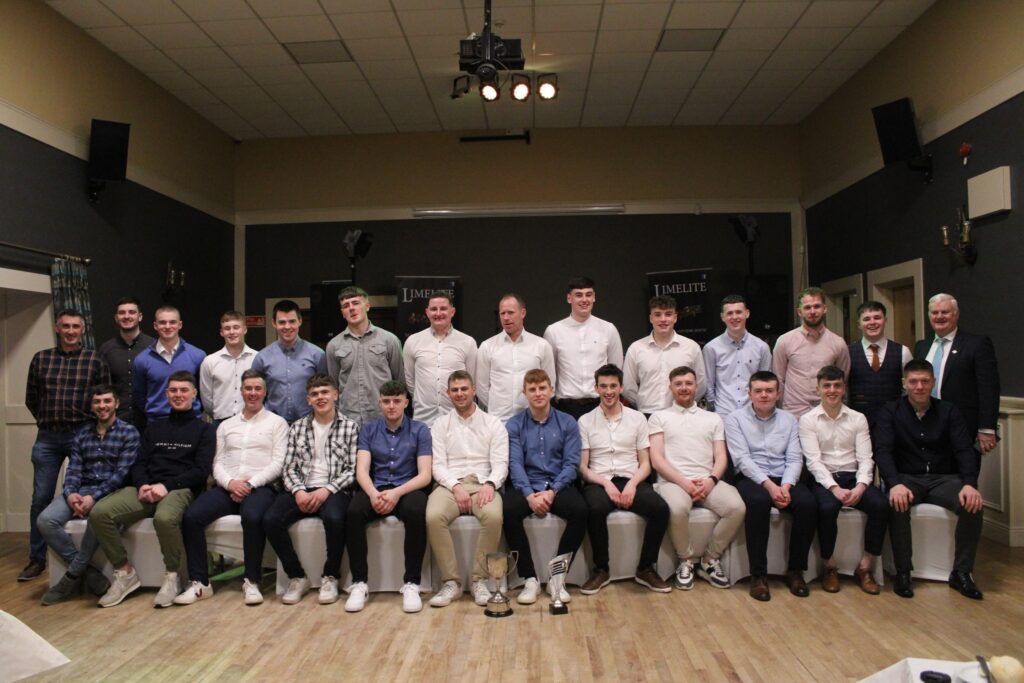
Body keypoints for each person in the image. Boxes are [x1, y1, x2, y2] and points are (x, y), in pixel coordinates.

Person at [89, 371, 215, 608]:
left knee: (164, 518)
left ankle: (173, 576)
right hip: (147, 488)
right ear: (166, 394)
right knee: (100, 513)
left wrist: (165, 487)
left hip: (181, 489)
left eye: (184, 390)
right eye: (173, 390)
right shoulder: (154, 428)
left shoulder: (205, 430)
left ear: (194, 394)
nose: (178, 395)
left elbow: (200, 471)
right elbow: (140, 463)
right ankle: (124, 572)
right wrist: (143, 485)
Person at [174, 369, 288, 606]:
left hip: (261, 487)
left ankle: (252, 581)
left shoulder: (277, 423)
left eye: (257, 388)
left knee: (252, 516)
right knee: (192, 516)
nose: (253, 393)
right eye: (248, 388)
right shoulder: (226, 425)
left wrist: (249, 484)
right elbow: (217, 462)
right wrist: (230, 483)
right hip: (228, 486)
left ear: (265, 392)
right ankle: (200, 583)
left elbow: (278, 464)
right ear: (241, 391)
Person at [873, 359, 984, 600]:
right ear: (904, 384)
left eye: (924, 381)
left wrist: (969, 484)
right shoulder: (890, 411)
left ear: (933, 382)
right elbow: (883, 451)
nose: (919, 387)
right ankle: (903, 572)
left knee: (972, 505)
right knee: (897, 503)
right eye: (913, 382)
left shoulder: (949, 411)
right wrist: (894, 483)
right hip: (907, 478)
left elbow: (964, 450)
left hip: (944, 479)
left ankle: (962, 572)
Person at [21, 309, 110, 582]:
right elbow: (31, 398)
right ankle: (37, 559)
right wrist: (49, 418)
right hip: (48, 437)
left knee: (83, 492)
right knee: (41, 497)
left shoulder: (94, 360)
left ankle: (83, 554)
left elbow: (104, 397)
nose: (71, 331)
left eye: (75, 327)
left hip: (81, 434)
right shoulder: (41, 359)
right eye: (66, 326)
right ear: (57, 329)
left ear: (82, 330)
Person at [36, 384, 139, 605]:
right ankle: (89, 573)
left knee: (98, 517)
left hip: (112, 493)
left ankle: (70, 578)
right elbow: (74, 469)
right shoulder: (82, 434)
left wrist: (94, 498)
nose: (102, 406)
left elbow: (121, 475)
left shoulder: (129, 433)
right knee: (45, 520)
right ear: (91, 406)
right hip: (81, 490)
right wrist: (71, 493)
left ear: (116, 404)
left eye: (107, 401)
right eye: (97, 402)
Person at [263, 374, 359, 606]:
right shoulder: (297, 428)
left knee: (335, 519)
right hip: (302, 488)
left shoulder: (350, 427)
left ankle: (330, 576)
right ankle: (297, 576)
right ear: (308, 400)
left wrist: (326, 490)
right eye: (314, 394)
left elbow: (352, 469)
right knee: (270, 519)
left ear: (336, 395)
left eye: (325, 392)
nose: (320, 397)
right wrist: (298, 491)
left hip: (334, 490)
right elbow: (288, 468)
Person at [649, 366, 745, 591]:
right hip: (672, 482)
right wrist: (684, 483)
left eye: (688, 383)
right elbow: (657, 459)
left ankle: (710, 559)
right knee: (677, 508)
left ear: (696, 386)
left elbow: (721, 457)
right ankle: (686, 560)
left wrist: (711, 480)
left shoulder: (713, 418)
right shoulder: (658, 417)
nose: (684, 388)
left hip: (707, 481)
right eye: (678, 384)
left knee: (737, 507)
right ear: (670, 387)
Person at [578, 364, 671, 594]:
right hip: (599, 481)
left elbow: (646, 463)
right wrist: (606, 484)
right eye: (603, 386)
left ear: (621, 387)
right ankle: (601, 569)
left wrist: (631, 485)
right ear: (596, 388)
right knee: (595, 508)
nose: (608, 391)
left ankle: (646, 568)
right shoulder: (585, 421)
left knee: (660, 509)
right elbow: (582, 467)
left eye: (613, 386)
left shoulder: (638, 419)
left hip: (632, 478)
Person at [725, 371, 817, 601]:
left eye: (769, 391)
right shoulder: (735, 419)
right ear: (749, 394)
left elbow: (794, 458)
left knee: (807, 504)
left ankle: (795, 571)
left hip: (784, 477)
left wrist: (785, 486)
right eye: (758, 391)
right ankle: (758, 575)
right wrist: (770, 487)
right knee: (759, 502)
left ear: (778, 394)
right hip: (751, 478)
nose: (764, 395)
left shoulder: (789, 419)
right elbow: (742, 460)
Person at [798, 365, 887, 595]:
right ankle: (830, 566)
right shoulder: (807, 420)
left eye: (837, 385)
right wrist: (834, 488)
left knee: (880, 505)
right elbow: (813, 462)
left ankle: (865, 567)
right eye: (826, 386)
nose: (832, 390)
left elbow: (866, 458)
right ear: (818, 389)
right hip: (824, 480)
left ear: (844, 388)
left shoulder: (858, 418)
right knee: (827, 508)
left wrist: (861, 486)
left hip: (854, 477)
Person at [345, 380, 433, 613]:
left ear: (406, 402)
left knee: (416, 511)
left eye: (396, 401)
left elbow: (425, 475)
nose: (391, 406)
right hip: (377, 487)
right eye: (386, 401)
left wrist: (396, 493)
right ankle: (359, 583)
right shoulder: (369, 429)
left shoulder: (420, 430)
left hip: (408, 488)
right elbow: (361, 470)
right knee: (353, 512)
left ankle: (412, 583)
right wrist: (374, 494)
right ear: (380, 403)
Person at [503, 369, 587, 605]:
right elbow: (515, 464)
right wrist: (529, 495)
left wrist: (552, 491)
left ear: (551, 390)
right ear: (525, 393)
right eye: (532, 389)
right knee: (508, 511)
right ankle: (529, 578)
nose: (538, 393)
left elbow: (571, 463)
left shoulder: (568, 422)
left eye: (542, 388)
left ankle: (557, 577)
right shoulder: (514, 424)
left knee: (581, 511)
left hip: (558, 484)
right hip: (527, 485)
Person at [427, 371, 508, 608]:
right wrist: (455, 486)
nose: (460, 394)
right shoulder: (440, 425)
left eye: (464, 389)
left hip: (483, 483)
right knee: (433, 516)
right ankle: (451, 582)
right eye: (455, 390)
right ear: (448, 393)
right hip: (450, 484)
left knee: (493, 516)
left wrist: (491, 484)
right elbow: (438, 465)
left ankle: (479, 580)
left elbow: (501, 463)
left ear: (474, 390)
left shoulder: (493, 424)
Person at [913, 293, 1001, 457]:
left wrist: (987, 428)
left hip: (963, 428)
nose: (939, 316)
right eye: (935, 312)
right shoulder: (922, 347)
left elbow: (989, 388)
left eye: (945, 312)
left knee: (965, 471)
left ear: (956, 314)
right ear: (929, 315)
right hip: (925, 425)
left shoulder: (976, 344)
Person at [544, 277, 623, 419]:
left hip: (601, 405)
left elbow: (616, 370)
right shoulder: (553, 331)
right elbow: (548, 373)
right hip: (565, 408)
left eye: (588, 294)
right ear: (569, 298)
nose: (584, 299)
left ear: (594, 297)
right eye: (579, 295)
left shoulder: (608, 329)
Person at [325, 286, 403, 426]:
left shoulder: (389, 340)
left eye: (356, 303)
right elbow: (333, 387)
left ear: (367, 306)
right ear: (342, 313)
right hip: (349, 420)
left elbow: (399, 383)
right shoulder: (334, 345)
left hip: (383, 418)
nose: (351, 308)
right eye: (346, 306)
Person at [476, 293, 556, 423]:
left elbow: (550, 383)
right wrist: (497, 407)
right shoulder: (487, 346)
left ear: (523, 313)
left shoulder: (541, 345)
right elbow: (481, 388)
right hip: (499, 421)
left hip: (533, 421)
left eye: (511, 313)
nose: (506, 318)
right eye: (502, 313)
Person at [772, 287, 851, 418]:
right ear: (799, 312)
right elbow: (778, 379)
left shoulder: (838, 343)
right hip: (793, 413)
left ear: (825, 309)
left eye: (817, 306)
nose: (812, 311)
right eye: (807, 307)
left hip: (826, 412)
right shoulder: (784, 341)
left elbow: (842, 380)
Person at [402, 292, 477, 427]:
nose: (438, 313)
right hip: (424, 420)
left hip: (457, 421)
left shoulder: (467, 342)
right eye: (433, 309)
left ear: (452, 312)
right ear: (427, 312)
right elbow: (410, 381)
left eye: (443, 309)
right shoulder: (412, 341)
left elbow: (472, 380)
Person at [623, 295, 706, 415]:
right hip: (647, 414)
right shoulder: (636, 348)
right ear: (651, 318)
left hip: (681, 414)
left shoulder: (691, 347)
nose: (663, 319)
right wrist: (642, 403)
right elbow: (627, 386)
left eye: (668, 314)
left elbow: (701, 384)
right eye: (657, 314)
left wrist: (685, 404)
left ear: (675, 317)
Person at [251, 299, 327, 423]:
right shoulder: (262, 357)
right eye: (282, 322)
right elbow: (255, 392)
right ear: (274, 323)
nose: (287, 327)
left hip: (309, 423)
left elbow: (325, 391)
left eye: (292, 321)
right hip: (273, 424)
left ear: (300, 321)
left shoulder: (317, 355)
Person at [132, 305, 205, 426]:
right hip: (156, 423)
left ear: (180, 325)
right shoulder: (142, 360)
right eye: (162, 322)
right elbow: (139, 396)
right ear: (155, 325)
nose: (167, 326)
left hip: (191, 422)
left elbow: (204, 393)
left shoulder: (197, 355)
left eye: (172, 322)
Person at [702, 295, 772, 417]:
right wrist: (713, 411)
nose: (734, 317)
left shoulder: (761, 347)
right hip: (723, 413)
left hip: (753, 413)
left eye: (738, 312)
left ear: (747, 313)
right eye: (729, 313)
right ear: (722, 317)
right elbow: (709, 383)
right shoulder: (711, 348)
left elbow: (765, 383)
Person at [846, 301, 912, 429]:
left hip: (894, 422)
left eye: (877, 317)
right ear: (859, 324)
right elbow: (844, 390)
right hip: (858, 423)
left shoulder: (903, 351)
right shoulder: (847, 352)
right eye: (866, 319)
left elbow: (909, 389)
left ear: (885, 320)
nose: (872, 322)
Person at [98, 297, 154, 429]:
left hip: (149, 419)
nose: (127, 316)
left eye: (132, 312)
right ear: (116, 318)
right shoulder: (106, 349)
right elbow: (103, 387)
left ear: (140, 317)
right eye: (122, 313)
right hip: (117, 420)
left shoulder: (154, 347)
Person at [199, 311, 256, 428]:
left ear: (245, 329)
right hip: (220, 423)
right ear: (221, 332)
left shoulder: (257, 358)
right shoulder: (210, 361)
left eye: (236, 327)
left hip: (253, 422)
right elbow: (206, 398)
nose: (232, 332)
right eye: (227, 328)